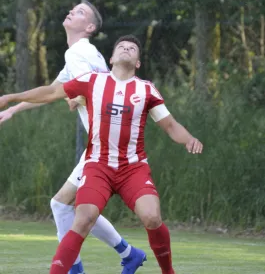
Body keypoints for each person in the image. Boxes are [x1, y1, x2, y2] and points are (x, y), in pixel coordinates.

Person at [0, 34, 203, 274]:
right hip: (98, 166)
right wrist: (12, 98)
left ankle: (168, 272)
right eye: (121, 46)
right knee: (83, 218)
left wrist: (189, 138)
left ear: (138, 62)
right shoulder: (92, 81)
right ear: (112, 58)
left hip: (133, 168)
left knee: (152, 217)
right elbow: (51, 93)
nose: (126, 49)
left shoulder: (146, 89)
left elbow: (170, 125)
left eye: (132, 48)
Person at [0, 5, 146, 274]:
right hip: (107, 143)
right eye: (73, 9)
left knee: (61, 204)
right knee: (70, 206)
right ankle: (129, 254)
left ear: (89, 28)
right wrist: (13, 107)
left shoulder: (79, 51)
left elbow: (78, 91)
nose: (70, 11)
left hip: (105, 146)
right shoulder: (79, 55)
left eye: (80, 12)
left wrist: (75, 97)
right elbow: (53, 91)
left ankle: (79, 268)